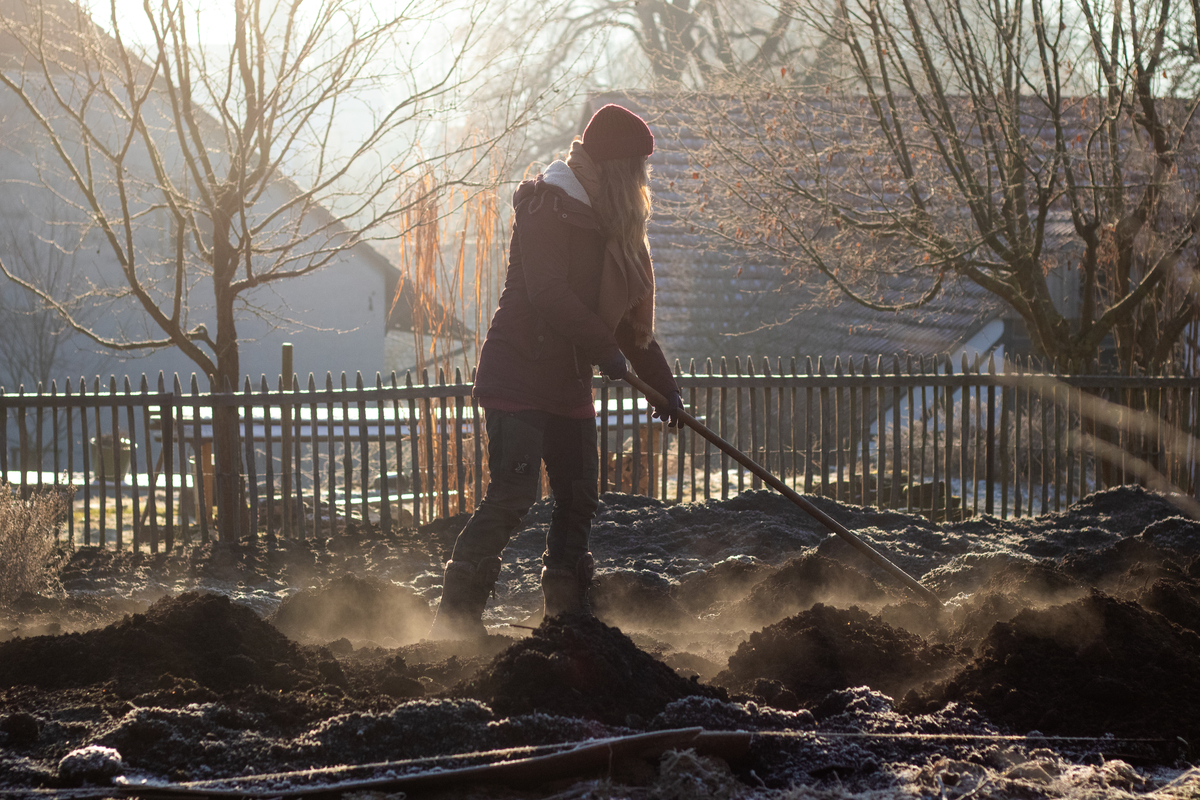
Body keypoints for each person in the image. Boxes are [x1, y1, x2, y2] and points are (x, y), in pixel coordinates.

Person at [430, 104, 684, 639]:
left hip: (566, 381)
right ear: (614, 167)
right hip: (519, 373)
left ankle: (566, 617)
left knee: (578, 495)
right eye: (636, 170)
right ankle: (455, 622)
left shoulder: (610, 226)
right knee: (512, 495)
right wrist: (605, 353)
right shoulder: (549, 204)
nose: (642, 183)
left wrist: (664, 388)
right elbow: (549, 294)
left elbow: (623, 323)